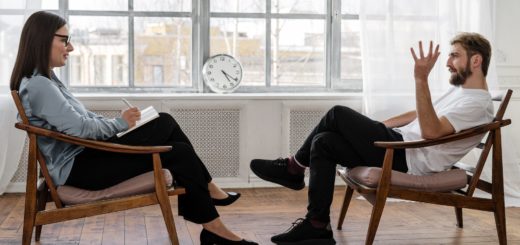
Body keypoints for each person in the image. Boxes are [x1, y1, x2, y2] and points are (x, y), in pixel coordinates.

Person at [10, 11, 257, 245]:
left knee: (166, 124)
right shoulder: (40, 85)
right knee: (174, 143)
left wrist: (121, 123)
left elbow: (82, 119)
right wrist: (120, 124)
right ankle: (213, 215)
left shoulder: (47, 80)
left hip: (85, 157)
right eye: (65, 40)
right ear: (42, 40)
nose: (71, 48)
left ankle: (213, 223)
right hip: (80, 168)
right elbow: (82, 129)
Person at [250, 32, 494, 244]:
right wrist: (376, 127)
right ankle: (317, 225)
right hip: (399, 144)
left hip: (407, 159)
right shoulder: (461, 93)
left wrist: (420, 79)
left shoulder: (476, 104)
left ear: (475, 60)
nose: (448, 62)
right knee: (323, 141)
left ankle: (293, 168)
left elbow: (431, 132)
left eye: (454, 55)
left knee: (337, 113)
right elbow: (420, 113)